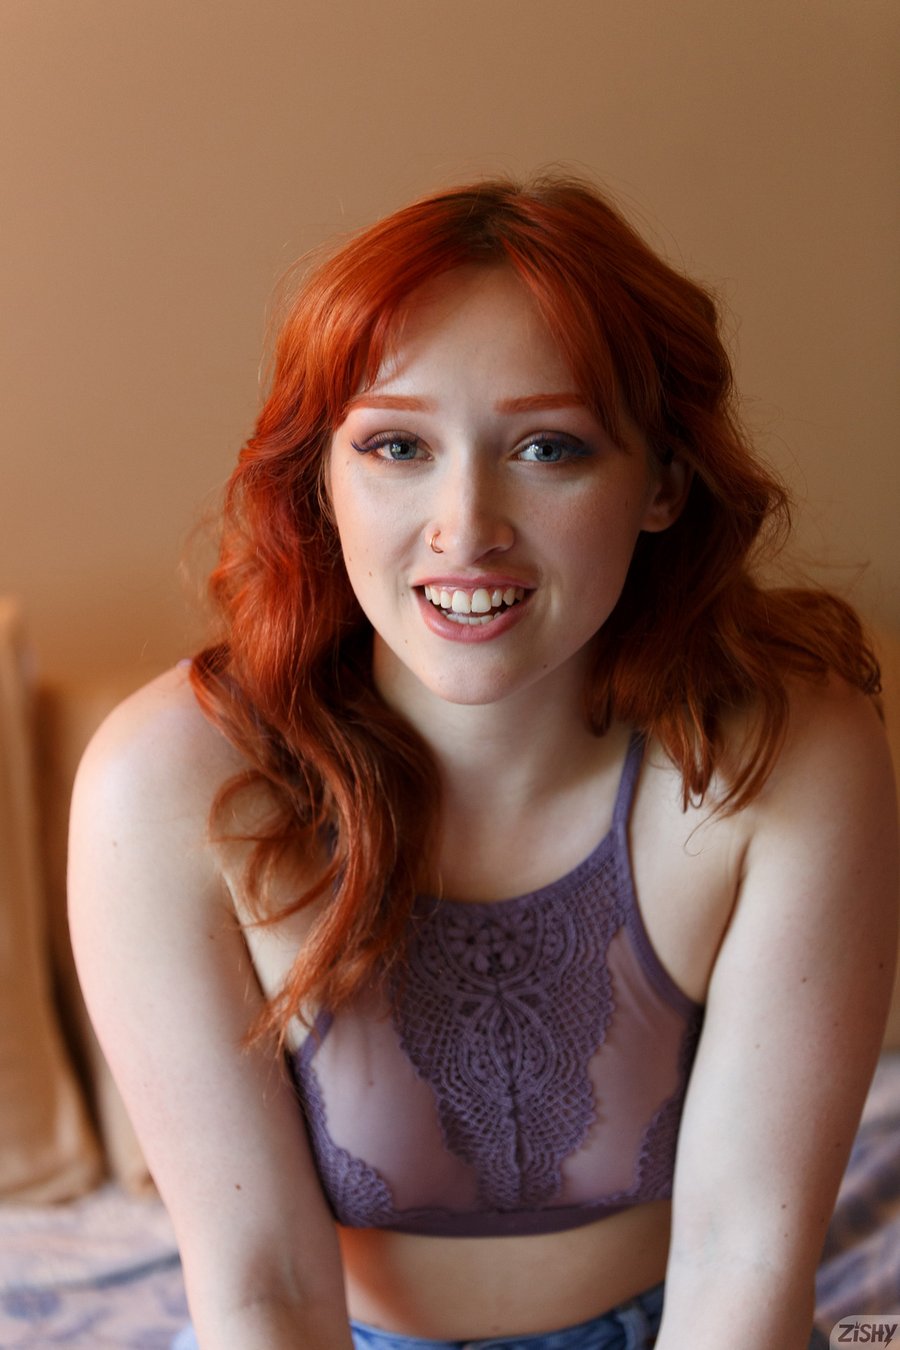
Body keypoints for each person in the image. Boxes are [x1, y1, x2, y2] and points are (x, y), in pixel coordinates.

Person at [68, 177, 898, 1350]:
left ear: (663, 482)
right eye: (397, 445)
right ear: (322, 480)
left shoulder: (790, 759)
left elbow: (748, 1258)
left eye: (548, 447)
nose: (466, 526)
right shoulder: (165, 784)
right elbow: (262, 1286)